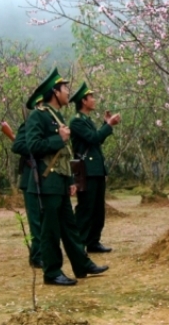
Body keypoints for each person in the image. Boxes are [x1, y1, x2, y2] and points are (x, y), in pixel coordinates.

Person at [25, 68, 109, 286]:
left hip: (61, 180)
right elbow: (32, 145)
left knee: (70, 226)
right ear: (55, 91)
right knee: (50, 229)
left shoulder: (57, 115)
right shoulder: (38, 115)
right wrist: (58, 139)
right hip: (47, 181)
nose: (67, 92)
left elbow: (65, 154)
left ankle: (82, 264)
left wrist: (71, 180)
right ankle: (52, 272)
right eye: (64, 89)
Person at [69, 82, 121, 254]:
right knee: (86, 208)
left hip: (96, 169)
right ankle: (78, 244)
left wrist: (105, 124)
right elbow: (93, 138)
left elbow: (96, 140)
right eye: (91, 97)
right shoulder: (76, 121)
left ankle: (93, 241)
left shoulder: (87, 121)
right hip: (86, 171)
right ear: (84, 101)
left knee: (98, 209)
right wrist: (109, 125)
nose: (94, 100)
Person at [11, 97, 43, 269]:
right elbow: (17, 146)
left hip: (43, 176)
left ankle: (42, 252)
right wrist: (36, 147)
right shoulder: (30, 123)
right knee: (36, 220)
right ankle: (37, 255)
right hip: (30, 176)